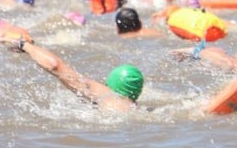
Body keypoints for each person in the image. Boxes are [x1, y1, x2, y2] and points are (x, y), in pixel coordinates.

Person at [9, 38, 142, 112]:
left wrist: (25, 45)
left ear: (110, 84)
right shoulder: (135, 108)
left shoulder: (106, 96)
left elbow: (55, 66)